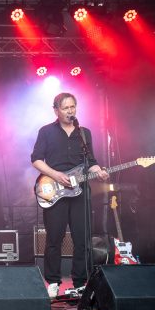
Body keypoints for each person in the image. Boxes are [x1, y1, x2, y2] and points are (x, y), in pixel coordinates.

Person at [31, 92, 109, 298]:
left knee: (82, 239)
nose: (70, 111)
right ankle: (53, 282)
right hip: (54, 190)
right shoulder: (46, 132)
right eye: (65, 108)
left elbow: (90, 161)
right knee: (54, 239)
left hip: (80, 192)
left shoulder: (84, 133)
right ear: (56, 110)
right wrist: (56, 175)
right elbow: (36, 160)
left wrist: (98, 171)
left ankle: (81, 282)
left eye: (73, 106)